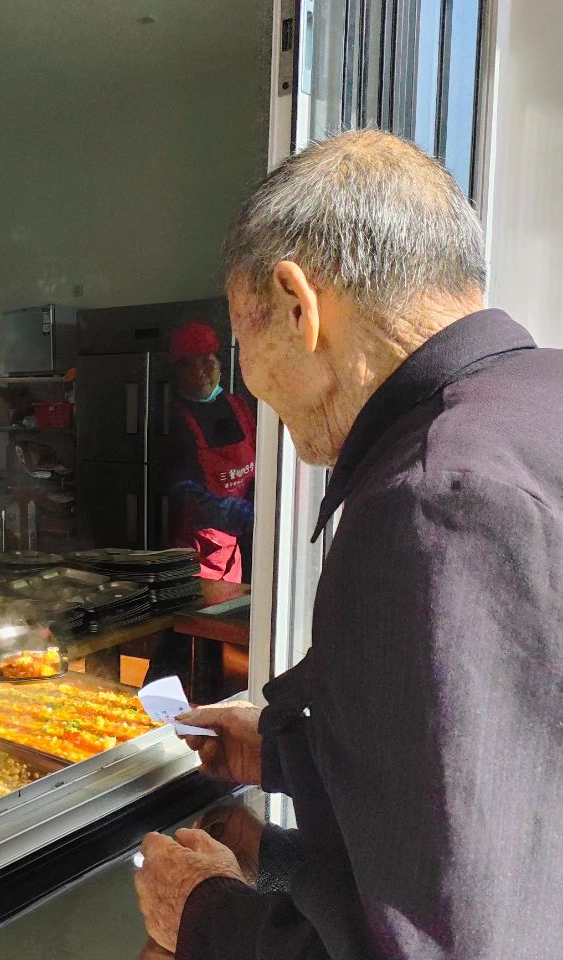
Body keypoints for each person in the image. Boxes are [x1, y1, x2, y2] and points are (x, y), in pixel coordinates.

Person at [135, 129, 563, 959]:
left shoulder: (435, 503)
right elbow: (509, 774)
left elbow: (442, 943)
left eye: (243, 340)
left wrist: (204, 914)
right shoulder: (539, 405)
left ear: (297, 303)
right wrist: (290, 752)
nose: (251, 385)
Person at [167, 321, 257, 582]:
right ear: (177, 373)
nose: (200, 372)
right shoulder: (176, 420)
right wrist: (232, 512)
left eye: (207, 361)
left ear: (219, 363)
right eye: (188, 365)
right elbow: (181, 488)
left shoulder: (239, 406)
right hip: (202, 548)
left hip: (246, 542)